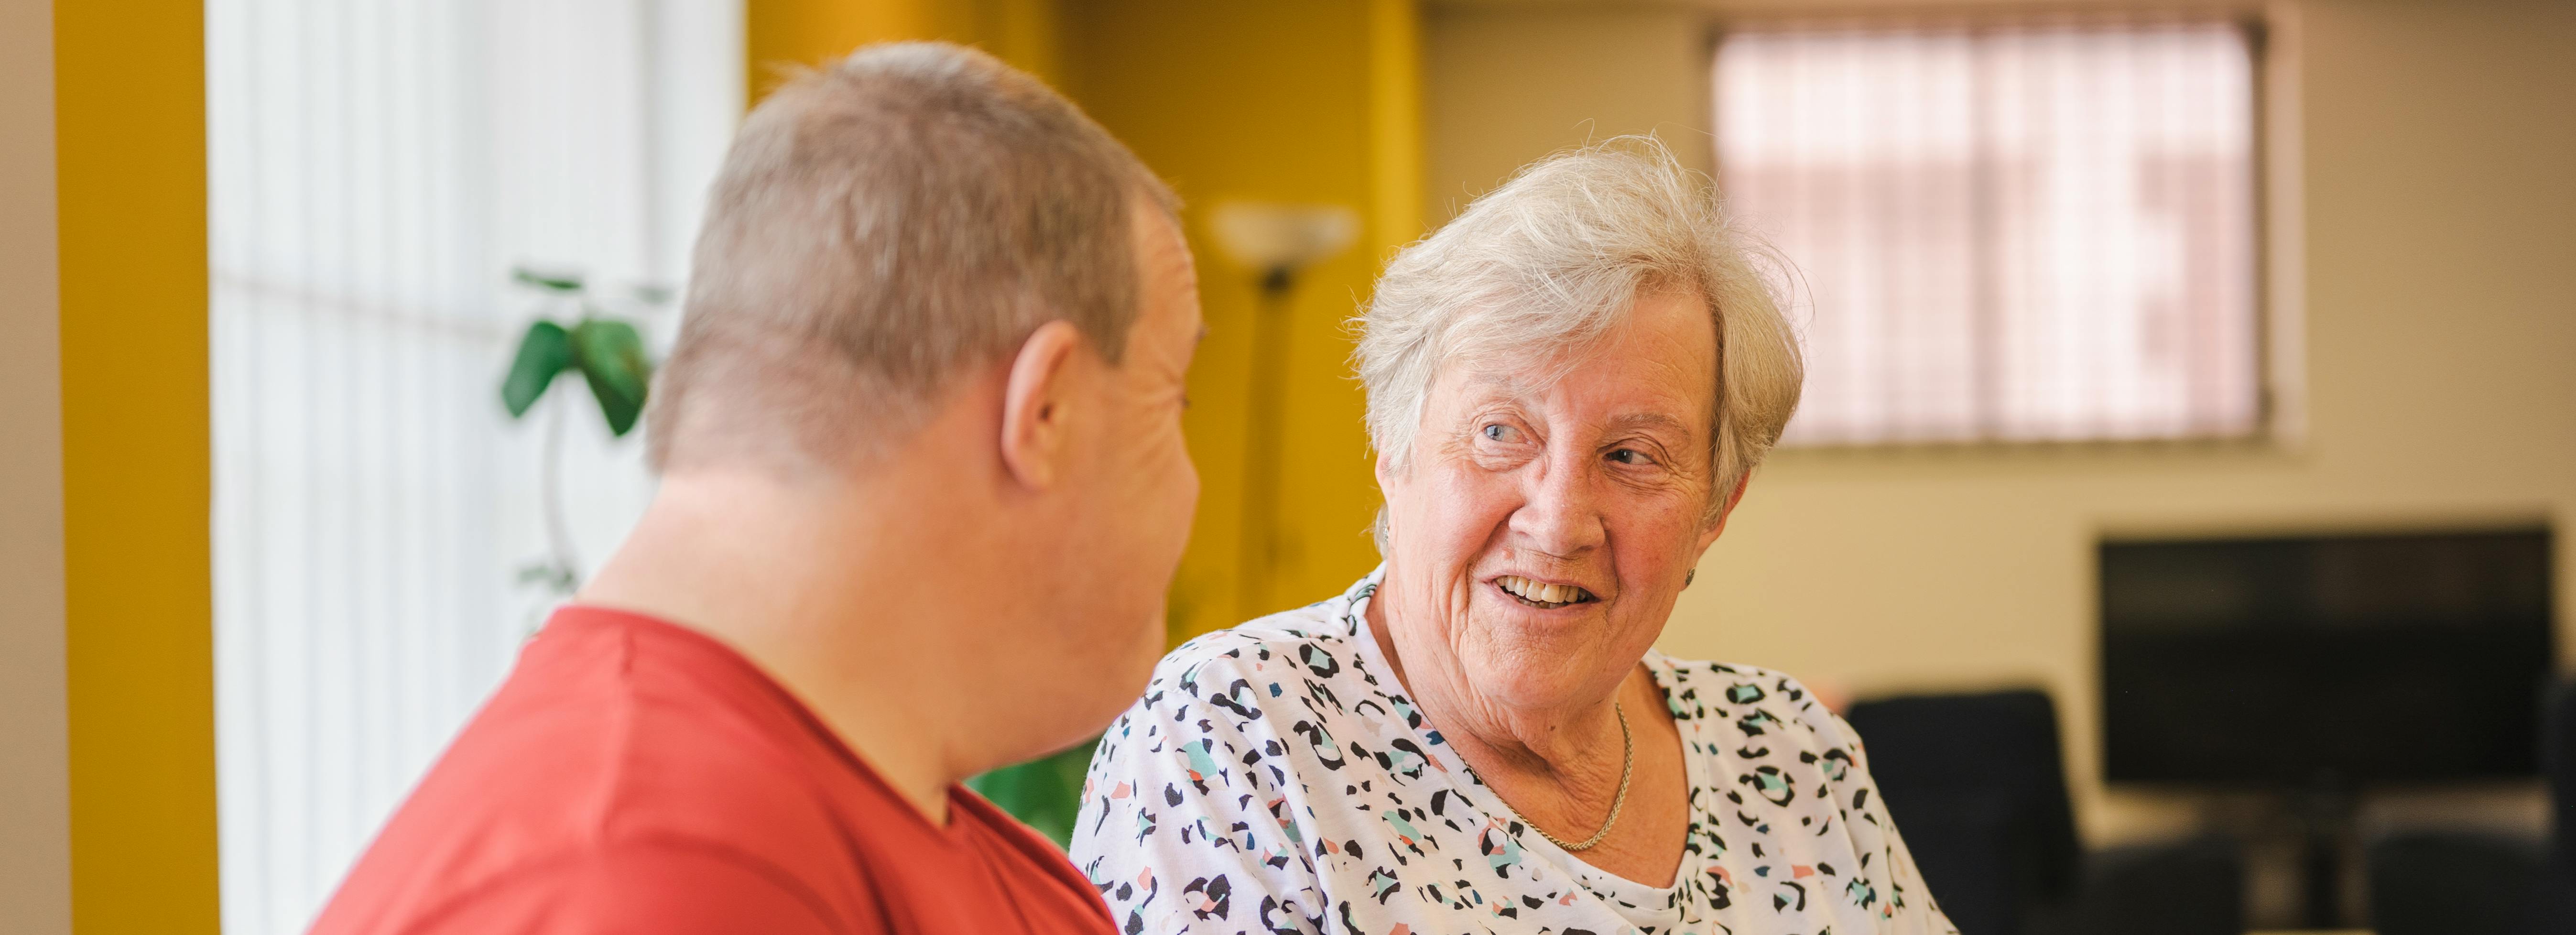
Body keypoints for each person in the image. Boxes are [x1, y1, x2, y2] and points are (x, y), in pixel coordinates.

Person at [314, 42, 1199, 934]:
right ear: (1044, 410)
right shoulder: (657, 878)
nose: (1192, 490)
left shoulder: (953, 854)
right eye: (1173, 401)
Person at [1069, 140, 1956, 935]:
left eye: (1632, 454)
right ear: (1393, 447)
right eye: (1501, 433)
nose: (1560, 519)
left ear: (1714, 512)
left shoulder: (1790, 751)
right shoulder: (1227, 736)